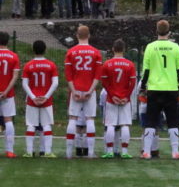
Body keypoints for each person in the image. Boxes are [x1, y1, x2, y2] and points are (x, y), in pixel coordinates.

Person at [140, 20, 179, 160]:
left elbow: (145, 71)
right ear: (169, 31)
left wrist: (143, 87)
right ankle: (175, 152)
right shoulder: (175, 47)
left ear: (156, 31)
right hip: (171, 88)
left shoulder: (150, 47)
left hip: (154, 89)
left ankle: (146, 152)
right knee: (172, 121)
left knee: (151, 121)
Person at [64, 25, 103, 159]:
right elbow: (97, 75)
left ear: (77, 35)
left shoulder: (71, 52)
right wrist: (90, 91)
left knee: (73, 119)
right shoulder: (96, 52)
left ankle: (69, 153)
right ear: (89, 36)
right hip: (89, 89)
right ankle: (90, 153)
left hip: (76, 88)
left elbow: (68, 75)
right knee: (90, 119)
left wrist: (73, 91)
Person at [99, 39, 137, 159]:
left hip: (112, 99)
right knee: (125, 124)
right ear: (124, 50)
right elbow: (133, 83)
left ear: (113, 49)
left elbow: (104, 83)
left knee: (110, 125)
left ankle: (110, 151)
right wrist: (126, 97)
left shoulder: (107, 64)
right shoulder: (130, 65)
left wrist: (112, 96)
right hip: (125, 100)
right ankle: (124, 151)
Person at [21, 40, 58, 158]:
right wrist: (46, 97)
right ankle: (47, 152)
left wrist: (33, 97)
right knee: (47, 125)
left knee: (31, 125)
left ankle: (29, 152)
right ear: (45, 49)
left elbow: (25, 84)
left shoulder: (28, 65)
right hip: (46, 100)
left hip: (32, 100)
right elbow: (55, 83)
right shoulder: (51, 65)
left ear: (33, 50)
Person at [0, 32, 20, 157]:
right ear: (7, 41)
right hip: (8, 94)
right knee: (8, 120)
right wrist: (6, 91)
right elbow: (15, 76)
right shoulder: (13, 56)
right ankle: (10, 151)